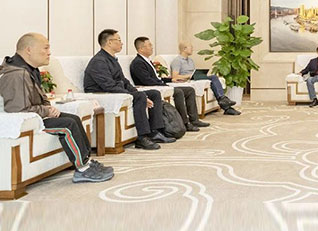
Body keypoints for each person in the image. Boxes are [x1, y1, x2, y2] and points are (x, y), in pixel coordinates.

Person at [0, 33, 113, 183]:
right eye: (45, 48)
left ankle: (87, 161)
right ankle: (83, 169)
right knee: (68, 125)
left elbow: (41, 97)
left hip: (36, 115)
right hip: (27, 121)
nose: (49, 52)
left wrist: (47, 107)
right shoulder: (16, 74)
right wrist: (46, 110)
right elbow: (18, 110)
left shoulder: (28, 69)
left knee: (74, 118)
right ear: (29, 50)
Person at [84, 29, 175, 150]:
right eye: (119, 40)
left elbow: (124, 81)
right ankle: (142, 137)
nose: (121, 43)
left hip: (115, 91)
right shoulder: (99, 61)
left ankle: (155, 132)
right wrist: (135, 94)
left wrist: (135, 91)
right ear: (109, 42)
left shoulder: (112, 59)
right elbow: (108, 86)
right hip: (103, 94)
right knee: (140, 97)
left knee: (154, 94)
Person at [130, 37, 210, 132]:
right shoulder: (138, 63)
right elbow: (147, 81)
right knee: (178, 92)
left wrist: (171, 79)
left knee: (189, 90)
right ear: (141, 49)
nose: (152, 47)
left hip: (157, 84)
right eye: (149, 45)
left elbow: (156, 78)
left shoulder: (147, 60)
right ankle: (184, 123)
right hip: (149, 87)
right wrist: (165, 84)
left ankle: (194, 120)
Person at [171, 42, 240, 116]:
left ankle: (224, 102)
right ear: (184, 49)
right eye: (190, 47)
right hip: (188, 80)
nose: (192, 49)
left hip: (194, 78)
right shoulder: (177, 61)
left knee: (213, 77)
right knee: (213, 78)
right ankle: (225, 104)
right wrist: (188, 76)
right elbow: (175, 76)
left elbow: (193, 72)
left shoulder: (190, 60)